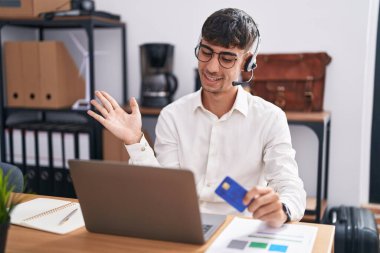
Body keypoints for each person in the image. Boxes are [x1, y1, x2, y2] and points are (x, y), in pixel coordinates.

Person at [88, 8, 306, 228]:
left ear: (246, 62)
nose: (211, 67)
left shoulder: (270, 118)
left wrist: (283, 209)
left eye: (227, 58)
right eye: (206, 52)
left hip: (237, 230)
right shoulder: (173, 116)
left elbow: (290, 185)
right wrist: (134, 141)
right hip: (181, 225)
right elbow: (163, 190)